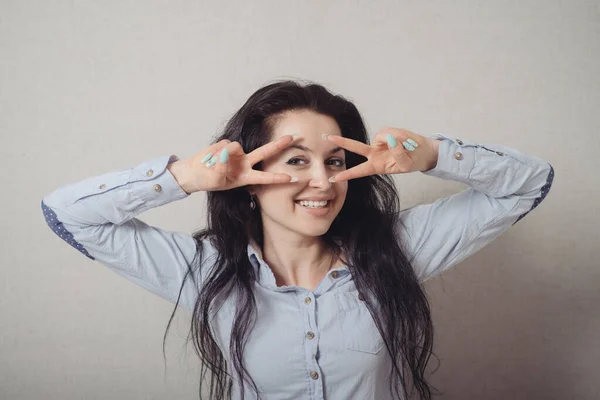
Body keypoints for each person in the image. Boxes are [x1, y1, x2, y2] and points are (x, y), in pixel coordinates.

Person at [41, 80, 554, 400]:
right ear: (249, 173)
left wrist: (436, 155)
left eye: (335, 162)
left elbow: (530, 184)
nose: (323, 182)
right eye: (296, 161)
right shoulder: (202, 272)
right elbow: (68, 215)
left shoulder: (396, 250)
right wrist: (187, 177)